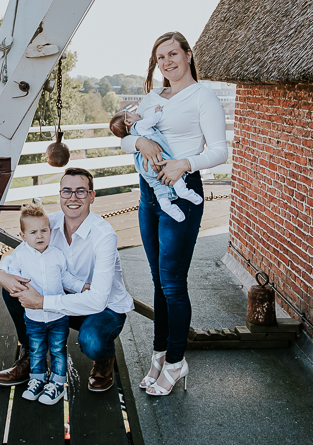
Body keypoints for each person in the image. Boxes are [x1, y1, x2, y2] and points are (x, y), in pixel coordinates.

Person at [121, 31, 227, 396]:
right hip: (149, 195)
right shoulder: (152, 98)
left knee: (173, 284)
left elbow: (219, 151)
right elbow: (125, 134)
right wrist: (139, 141)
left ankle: (177, 362)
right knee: (156, 282)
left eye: (173, 54)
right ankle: (160, 352)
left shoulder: (203, 97)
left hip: (181, 196)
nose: (167, 62)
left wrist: (184, 163)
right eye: (160, 57)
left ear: (187, 54)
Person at [0, 168, 134, 393]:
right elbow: (18, 256)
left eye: (80, 191)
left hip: (102, 307)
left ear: (92, 196)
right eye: (66, 191)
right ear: (60, 195)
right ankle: (31, 353)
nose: (73, 198)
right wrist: (2, 275)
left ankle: (105, 357)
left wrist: (41, 303)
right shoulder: (49, 224)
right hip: (62, 296)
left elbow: (97, 300)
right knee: (13, 288)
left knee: (92, 341)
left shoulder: (104, 236)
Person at [0, 203, 88, 405]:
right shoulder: (20, 256)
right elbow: (7, 270)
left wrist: (82, 287)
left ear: (50, 231)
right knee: (36, 349)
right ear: (22, 236)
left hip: (57, 316)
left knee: (57, 349)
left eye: (44, 231)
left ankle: (57, 383)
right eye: (33, 232)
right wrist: (3, 275)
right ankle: (36, 379)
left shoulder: (56, 254)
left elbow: (65, 278)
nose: (39, 236)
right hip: (34, 317)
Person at [109, 106, 203, 221]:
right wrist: (158, 112)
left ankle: (167, 206)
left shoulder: (132, 135)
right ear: (128, 121)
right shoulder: (139, 125)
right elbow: (152, 120)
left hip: (144, 167)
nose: (135, 112)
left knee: (158, 187)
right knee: (170, 172)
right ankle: (183, 191)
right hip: (157, 159)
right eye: (130, 113)